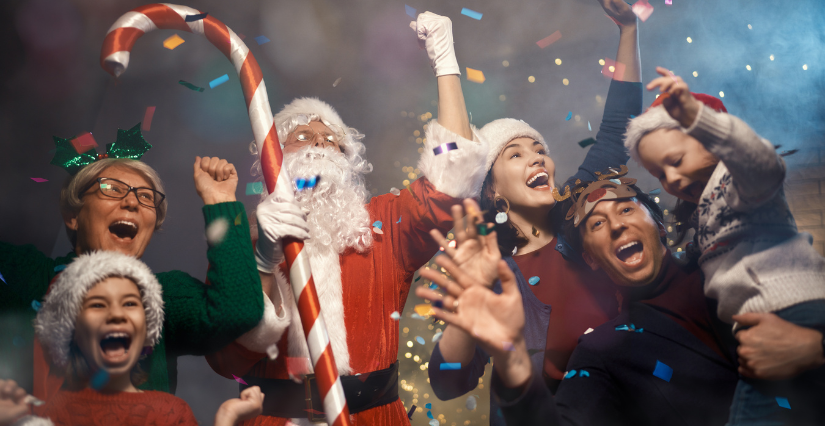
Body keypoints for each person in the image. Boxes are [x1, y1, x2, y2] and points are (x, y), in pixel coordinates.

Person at [204, 12, 488, 426]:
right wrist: (263, 261)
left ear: (349, 161)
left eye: (332, 140)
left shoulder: (384, 225)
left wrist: (446, 64)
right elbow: (226, 355)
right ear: (273, 160)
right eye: (302, 135)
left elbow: (451, 183)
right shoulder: (242, 241)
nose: (319, 142)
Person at [419, 1, 642, 423]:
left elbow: (618, 131)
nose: (538, 158)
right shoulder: (490, 270)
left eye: (540, 149)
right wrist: (466, 315)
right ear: (493, 189)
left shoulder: (582, 220)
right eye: (516, 154)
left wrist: (628, 30)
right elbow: (447, 385)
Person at [0, 129, 284, 401]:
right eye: (112, 189)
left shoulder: (164, 297)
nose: (132, 202)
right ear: (73, 216)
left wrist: (219, 199)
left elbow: (239, 312)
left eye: (146, 197)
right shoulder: (29, 276)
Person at [624, 67, 825, 425]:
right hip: (764, 324)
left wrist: (699, 119)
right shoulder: (702, 212)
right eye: (658, 174)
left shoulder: (739, 182)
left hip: (791, 309)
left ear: (712, 141)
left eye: (675, 160)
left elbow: (760, 160)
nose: (670, 179)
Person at [0, 251, 265, 426]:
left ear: (147, 330)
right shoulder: (50, 412)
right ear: (73, 332)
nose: (116, 314)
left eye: (129, 303)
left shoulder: (170, 414)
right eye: (97, 305)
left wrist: (227, 419)